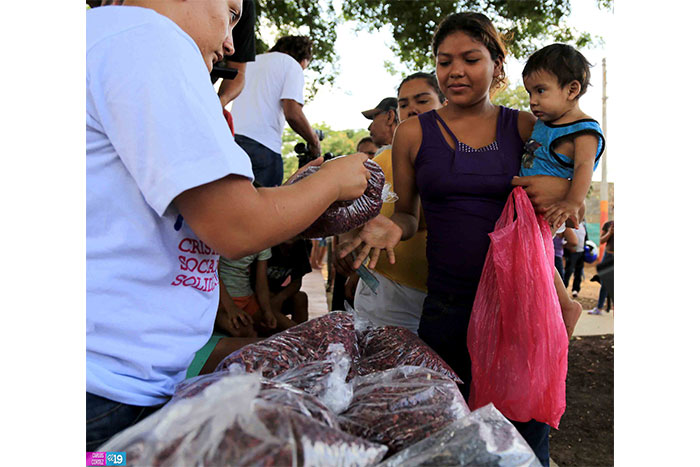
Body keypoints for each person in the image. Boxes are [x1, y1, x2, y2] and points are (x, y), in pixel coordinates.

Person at [86, 0, 370, 450]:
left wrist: (288, 198)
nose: (230, 43)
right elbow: (236, 228)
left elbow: (200, 215)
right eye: (232, 12)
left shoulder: (111, 39)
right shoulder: (147, 38)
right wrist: (335, 179)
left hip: (108, 391)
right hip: (106, 402)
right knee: (105, 462)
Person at [339, 13, 577, 465]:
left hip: (519, 308)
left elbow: (575, 162)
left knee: (523, 439)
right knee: (447, 436)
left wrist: (566, 194)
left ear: (497, 66)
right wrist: (395, 225)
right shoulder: (412, 133)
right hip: (447, 309)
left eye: (470, 58)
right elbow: (409, 214)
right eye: (444, 61)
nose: (456, 71)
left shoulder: (526, 127)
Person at [336, 72, 446, 333]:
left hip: (436, 295)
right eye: (404, 104)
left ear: (445, 104)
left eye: (422, 101)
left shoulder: (461, 158)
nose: (411, 110)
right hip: (381, 292)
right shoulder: (382, 161)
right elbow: (358, 209)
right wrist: (355, 263)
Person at [230, 35, 320, 187]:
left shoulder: (251, 62)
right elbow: (292, 113)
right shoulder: (292, 65)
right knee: (263, 207)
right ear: (304, 60)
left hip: (232, 141)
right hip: (263, 149)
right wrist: (314, 142)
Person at [216, 0, 256, 109]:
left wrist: (219, 103)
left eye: (232, 16)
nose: (230, 48)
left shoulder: (246, 5)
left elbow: (238, 73)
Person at [589, 219, 613, 314]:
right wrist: (609, 233)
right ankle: (599, 308)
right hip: (608, 256)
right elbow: (602, 241)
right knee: (605, 282)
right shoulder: (608, 225)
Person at [564, 221, 587, 297]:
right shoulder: (569, 225)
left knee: (578, 272)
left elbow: (586, 238)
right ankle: (564, 288)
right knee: (569, 271)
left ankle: (575, 290)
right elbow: (564, 238)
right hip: (572, 253)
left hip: (581, 251)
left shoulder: (583, 225)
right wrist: (569, 247)